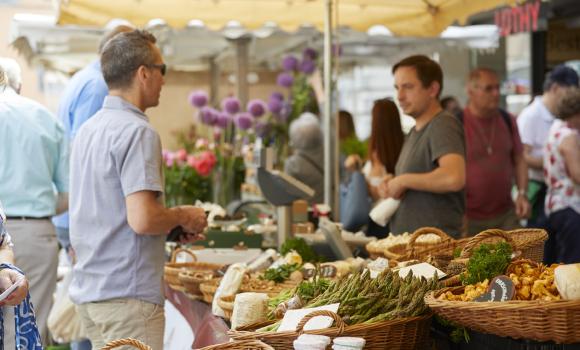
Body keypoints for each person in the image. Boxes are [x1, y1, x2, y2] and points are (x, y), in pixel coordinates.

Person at [68, 30, 207, 350]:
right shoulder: (137, 131)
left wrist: (170, 224)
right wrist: (184, 214)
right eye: (163, 69)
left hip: (93, 292)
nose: (164, 79)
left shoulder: (89, 130)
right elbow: (142, 219)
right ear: (144, 73)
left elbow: (107, 212)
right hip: (127, 297)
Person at [51, 24, 133, 350]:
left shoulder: (82, 78)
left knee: (88, 314)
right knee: (94, 318)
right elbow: (89, 163)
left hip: (73, 218)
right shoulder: (99, 87)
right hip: (82, 220)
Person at [0, 57, 69, 346]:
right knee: (31, 326)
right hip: (37, 231)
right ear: (18, 84)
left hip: (6, 232)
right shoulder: (45, 117)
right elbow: (67, 194)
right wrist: (36, 207)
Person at [379, 55, 466, 238]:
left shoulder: (443, 124)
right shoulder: (413, 131)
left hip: (435, 253)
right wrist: (392, 182)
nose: (399, 96)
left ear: (433, 89)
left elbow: (453, 177)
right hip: (413, 250)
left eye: (408, 87)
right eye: (397, 88)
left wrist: (403, 180)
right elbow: (420, 178)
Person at [462, 68, 530, 235]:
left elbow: (519, 159)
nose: (495, 93)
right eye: (488, 88)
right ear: (471, 91)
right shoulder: (457, 123)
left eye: (498, 88)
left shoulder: (508, 120)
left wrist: (522, 193)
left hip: (506, 213)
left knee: (523, 258)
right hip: (467, 218)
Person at [517, 65, 579, 230]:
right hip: (537, 188)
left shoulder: (558, 116)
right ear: (555, 87)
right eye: (570, 91)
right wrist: (556, 160)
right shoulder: (530, 115)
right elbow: (522, 156)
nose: (572, 96)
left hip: (554, 188)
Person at [543, 88, 580, 264]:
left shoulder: (556, 127)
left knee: (559, 260)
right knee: (571, 262)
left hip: (555, 205)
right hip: (570, 205)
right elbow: (577, 175)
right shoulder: (570, 136)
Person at [284, 112, 324, 204]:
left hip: (305, 212)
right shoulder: (330, 156)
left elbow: (288, 194)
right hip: (332, 209)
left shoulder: (292, 164)